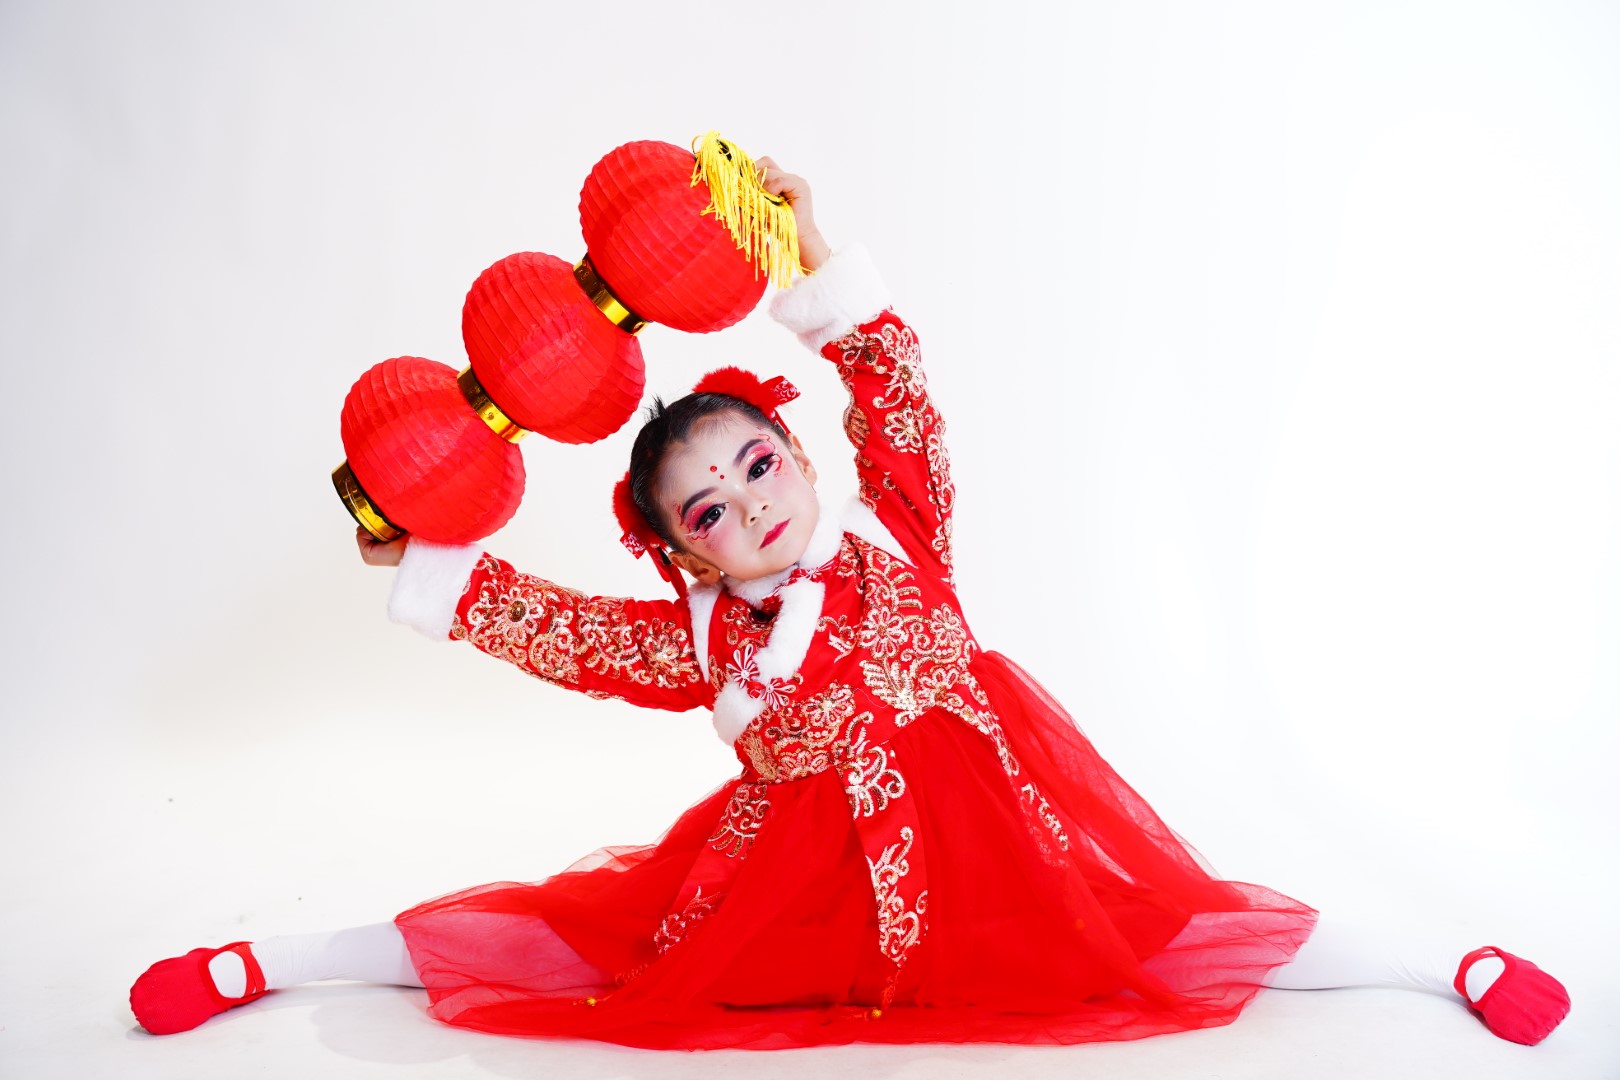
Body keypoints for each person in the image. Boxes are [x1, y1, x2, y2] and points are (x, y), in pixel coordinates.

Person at [130, 160, 1570, 1051]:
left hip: (998, 864)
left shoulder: (904, 538)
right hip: (796, 900)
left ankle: (1444, 963)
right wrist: (423, 563)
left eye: (757, 466)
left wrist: (816, 253)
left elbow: (897, 392)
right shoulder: (701, 641)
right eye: (707, 510)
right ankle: (276, 961)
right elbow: (557, 630)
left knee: (1169, 939)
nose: (748, 505)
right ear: (687, 556)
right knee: (572, 948)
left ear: (803, 459)